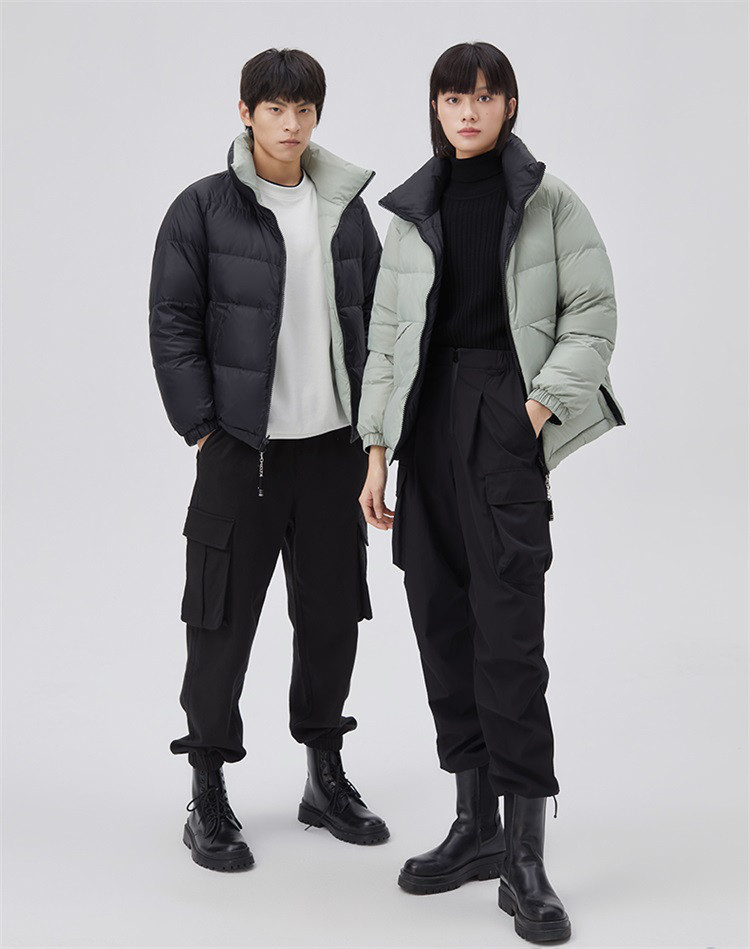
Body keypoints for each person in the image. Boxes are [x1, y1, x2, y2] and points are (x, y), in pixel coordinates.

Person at [357, 41, 625, 943]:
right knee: (441, 622)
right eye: (451, 97)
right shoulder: (412, 211)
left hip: (504, 419)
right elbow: (387, 337)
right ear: (434, 108)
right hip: (426, 424)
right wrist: (377, 451)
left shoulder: (549, 202)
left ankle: (526, 857)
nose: (467, 111)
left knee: (509, 634)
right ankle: (473, 825)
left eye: (483, 95)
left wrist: (536, 406)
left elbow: (593, 313)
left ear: (510, 104)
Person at [148, 47, 389, 872]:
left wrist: (373, 433)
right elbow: (172, 320)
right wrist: (204, 429)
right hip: (241, 454)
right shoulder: (202, 209)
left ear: (317, 115)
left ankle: (325, 775)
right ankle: (207, 789)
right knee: (220, 622)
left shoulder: (344, 209)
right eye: (275, 109)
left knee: (331, 619)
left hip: (331, 452)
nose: (290, 124)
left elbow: (378, 321)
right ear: (246, 112)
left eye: (304, 110)